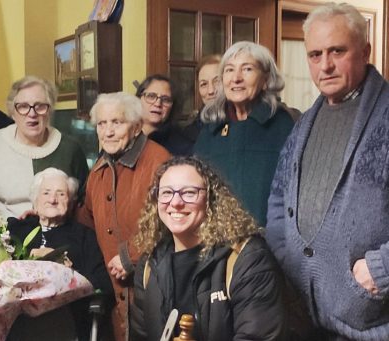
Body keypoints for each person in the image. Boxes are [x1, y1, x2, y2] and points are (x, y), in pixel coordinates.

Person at [266, 3, 389, 339]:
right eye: (315, 54)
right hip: (303, 317)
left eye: (337, 51)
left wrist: (380, 269)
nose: (326, 65)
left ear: (365, 51)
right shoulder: (304, 122)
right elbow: (279, 198)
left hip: (371, 322)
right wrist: (285, 256)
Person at [130, 156, 285, 340]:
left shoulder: (247, 258)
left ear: (211, 198)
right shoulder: (150, 264)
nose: (176, 202)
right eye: (166, 193)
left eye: (189, 193)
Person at [77, 92, 170, 341]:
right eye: (101, 124)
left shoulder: (159, 162)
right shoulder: (98, 170)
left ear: (137, 126)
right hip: (115, 297)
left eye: (117, 122)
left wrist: (131, 257)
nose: (108, 132)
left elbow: (172, 220)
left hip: (154, 286)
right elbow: (86, 219)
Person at [193, 41, 294, 226]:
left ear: (265, 80)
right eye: (229, 70)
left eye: (247, 69)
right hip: (217, 242)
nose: (236, 78)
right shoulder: (210, 129)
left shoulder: (284, 125)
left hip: (267, 241)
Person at [7, 167, 113, 341]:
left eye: (61, 194)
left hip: (64, 319)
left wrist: (69, 272)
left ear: (70, 202)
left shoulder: (83, 237)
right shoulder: (16, 230)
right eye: (46, 193)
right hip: (16, 319)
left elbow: (103, 284)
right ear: (35, 199)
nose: (53, 200)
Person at [0, 75, 89, 230]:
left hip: (59, 239)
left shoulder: (70, 149)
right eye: (23, 106)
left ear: (49, 110)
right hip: (5, 239)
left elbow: (84, 202)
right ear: (12, 112)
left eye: (40, 106)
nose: (32, 113)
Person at [135, 75, 199, 156]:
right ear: (138, 99)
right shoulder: (125, 135)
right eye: (151, 96)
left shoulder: (183, 146)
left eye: (165, 99)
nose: (158, 104)